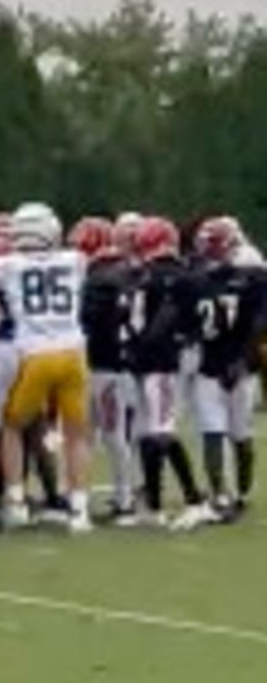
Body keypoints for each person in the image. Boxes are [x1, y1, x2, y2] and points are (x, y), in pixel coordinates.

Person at [0, 202, 92, 533]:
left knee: (12, 426)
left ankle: (16, 501)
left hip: (35, 355)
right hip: (73, 353)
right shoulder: (75, 261)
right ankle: (79, 510)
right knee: (76, 434)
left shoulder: (5, 265)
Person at [125, 216, 211, 530]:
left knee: (159, 432)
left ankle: (190, 502)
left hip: (159, 362)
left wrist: (140, 348)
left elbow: (155, 324)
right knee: (157, 433)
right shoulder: (184, 276)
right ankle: (165, 504)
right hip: (166, 360)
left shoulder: (148, 277)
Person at [191, 216, 267, 518]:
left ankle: (222, 494)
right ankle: (238, 492)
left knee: (217, 431)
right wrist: (242, 359)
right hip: (239, 366)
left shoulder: (195, 280)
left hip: (211, 364)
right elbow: (259, 323)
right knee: (238, 433)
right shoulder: (253, 278)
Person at [75, 216, 138, 519]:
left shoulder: (99, 277)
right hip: (118, 363)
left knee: (101, 434)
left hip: (101, 363)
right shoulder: (125, 271)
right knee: (110, 434)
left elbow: (90, 323)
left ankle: (120, 497)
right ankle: (121, 495)